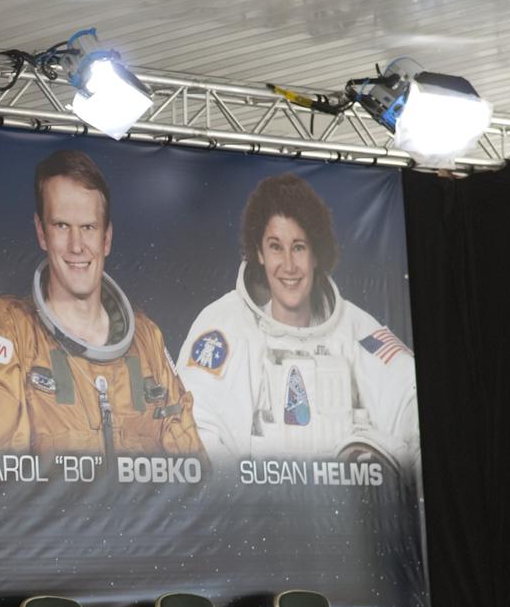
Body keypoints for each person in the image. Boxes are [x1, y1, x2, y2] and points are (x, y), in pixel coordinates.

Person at [0, 148, 203, 459]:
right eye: (62, 226)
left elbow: (193, 471)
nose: (76, 246)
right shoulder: (12, 328)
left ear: (107, 238)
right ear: (41, 233)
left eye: (88, 227)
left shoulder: (147, 339)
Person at [176, 173, 420, 471]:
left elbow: (413, 403)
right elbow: (195, 428)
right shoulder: (224, 327)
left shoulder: (357, 330)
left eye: (299, 247)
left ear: (316, 254)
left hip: (353, 513)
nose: (289, 266)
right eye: (276, 246)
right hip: (254, 511)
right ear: (259, 253)